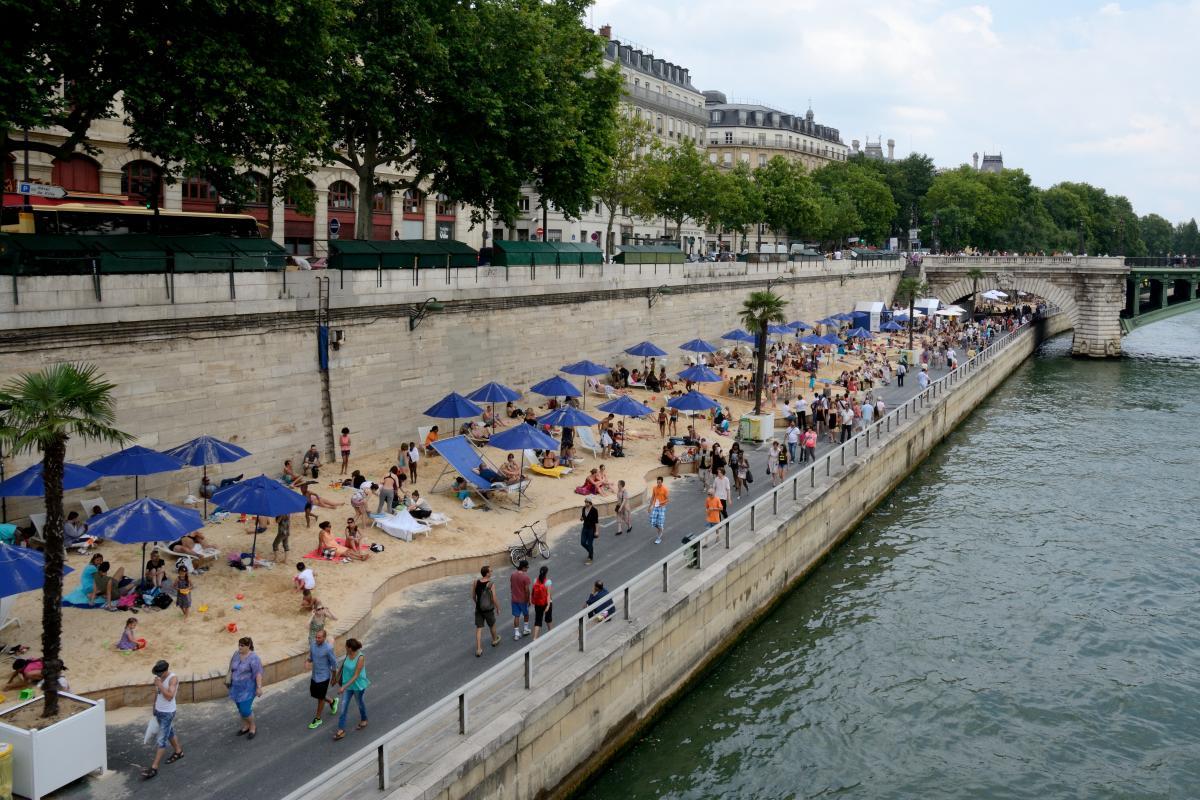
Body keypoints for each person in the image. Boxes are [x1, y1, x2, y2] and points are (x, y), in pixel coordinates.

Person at [142, 660, 183, 779]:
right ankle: (178, 751)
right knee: (169, 732)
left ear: (165, 670)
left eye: (160, 673)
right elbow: (158, 693)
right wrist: (154, 706)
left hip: (167, 713)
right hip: (159, 711)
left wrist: (159, 684)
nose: (158, 675)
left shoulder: (173, 679)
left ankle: (154, 767)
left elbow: (170, 696)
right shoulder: (159, 678)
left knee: (161, 740)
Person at [332, 638, 369, 740]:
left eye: (346, 646)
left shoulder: (360, 657)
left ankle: (364, 719)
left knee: (359, 703)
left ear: (350, 648)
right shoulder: (348, 654)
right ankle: (341, 730)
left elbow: (356, 675)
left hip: (357, 686)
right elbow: (344, 666)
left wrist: (343, 687)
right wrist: (336, 677)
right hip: (347, 685)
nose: (345, 648)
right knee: (343, 706)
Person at [228, 636, 264, 739]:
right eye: (239, 645)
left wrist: (259, 687)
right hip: (236, 688)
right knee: (240, 708)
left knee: (245, 710)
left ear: (248, 646)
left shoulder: (254, 658)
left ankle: (252, 726)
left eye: (242, 646)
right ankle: (246, 726)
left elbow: (258, 673)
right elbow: (231, 668)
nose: (239, 647)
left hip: (247, 689)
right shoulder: (236, 654)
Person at [306, 628, 339, 729]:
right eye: (316, 637)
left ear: (324, 638)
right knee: (316, 694)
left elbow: (334, 664)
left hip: (324, 677)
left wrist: (334, 678)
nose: (317, 639)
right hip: (315, 676)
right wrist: (307, 661)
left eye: (319, 638)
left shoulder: (328, 648)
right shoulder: (312, 645)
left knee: (320, 698)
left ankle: (318, 719)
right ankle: (332, 701)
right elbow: (311, 657)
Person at [472, 566, 501, 657]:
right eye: (490, 571)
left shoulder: (475, 582)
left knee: (479, 628)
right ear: (487, 573)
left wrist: (477, 604)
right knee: (492, 625)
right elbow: (494, 598)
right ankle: (495, 640)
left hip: (479, 609)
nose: (492, 572)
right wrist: (498, 607)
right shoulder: (491, 584)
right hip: (488, 609)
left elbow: (473, 596)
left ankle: (479, 649)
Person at [510, 559, 532, 640]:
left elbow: (511, 586)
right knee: (526, 614)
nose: (527, 569)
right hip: (523, 600)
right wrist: (528, 600)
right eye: (526, 567)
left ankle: (516, 634)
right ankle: (526, 629)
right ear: (523, 568)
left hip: (514, 600)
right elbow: (527, 590)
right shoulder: (525, 577)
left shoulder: (513, 575)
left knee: (516, 616)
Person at [531, 566, 553, 640]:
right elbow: (548, 595)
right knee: (548, 619)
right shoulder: (548, 582)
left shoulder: (535, 581)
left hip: (538, 604)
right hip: (546, 603)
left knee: (538, 620)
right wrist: (548, 605)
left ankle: (535, 638)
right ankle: (551, 633)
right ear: (546, 573)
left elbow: (533, 592)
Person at [649, 476, 669, 545]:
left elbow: (667, 499)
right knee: (653, 521)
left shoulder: (665, 489)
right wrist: (649, 506)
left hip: (661, 508)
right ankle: (661, 528)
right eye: (657, 482)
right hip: (655, 507)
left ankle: (659, 537)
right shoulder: (654, 488)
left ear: (662, 482)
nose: (658, 483)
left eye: (659, 482)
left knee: (660, 523)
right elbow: (652, 497)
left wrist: (661, 503)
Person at [580, 499, 598, 564]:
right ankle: (591, 551)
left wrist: (597, 531)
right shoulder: (584, 508)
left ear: (590, 503)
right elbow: (583, 516)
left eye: (586, 502)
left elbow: (596, 522)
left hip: (591, 529)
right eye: (585, 502)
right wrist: (582, 518)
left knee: (590, 543)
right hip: (585, 528)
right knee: (582, 542)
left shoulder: (594, 510)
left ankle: (590, 557)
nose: (585, 503)